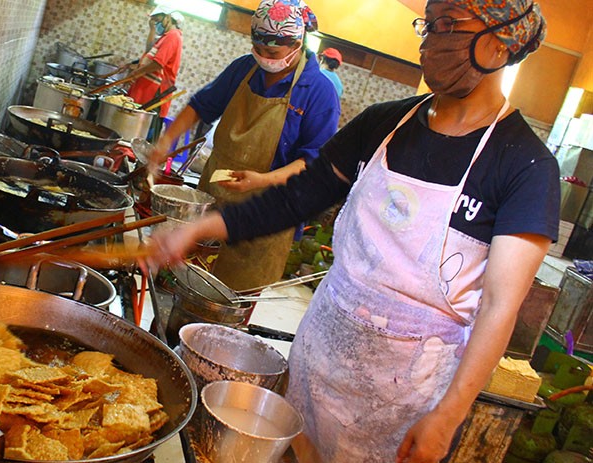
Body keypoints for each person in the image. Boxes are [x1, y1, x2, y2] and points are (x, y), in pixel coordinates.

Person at [144, 0, 556, 461]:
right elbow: (298, 196)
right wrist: (202, 227)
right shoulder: (384, 123)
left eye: (447, 26)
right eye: (429, 25)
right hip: (320, 357)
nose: (429, 41)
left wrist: (449, 415)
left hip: (407, 398)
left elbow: (500, 306)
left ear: (500, 43)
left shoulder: (525, 164)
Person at [151, 0, 341, 292]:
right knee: (183, 286)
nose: (264, 58)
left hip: (265, 216)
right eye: (258, 49)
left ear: (297, 43)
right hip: (214, 197)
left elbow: (311, 162)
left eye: (272, 52)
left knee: (226, 305)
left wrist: (262, 180)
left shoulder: (319, 91)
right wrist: (164, 142)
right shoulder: (245, 68)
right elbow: (202, 105)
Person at [126, 6, 184, 121]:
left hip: (155, 95)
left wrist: (135, 74)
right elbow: (149, 49)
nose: (156, 23)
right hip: (146, 91)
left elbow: (158, 63)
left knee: (141, 132)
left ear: (167, 18)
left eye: (157, 20)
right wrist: (152, 28)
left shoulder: (173, 36)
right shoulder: (165, 36)